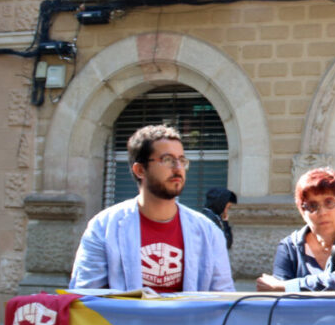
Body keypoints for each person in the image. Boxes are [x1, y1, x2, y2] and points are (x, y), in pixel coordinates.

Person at [69, 125, 234, 292]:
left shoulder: (209, 232)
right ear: (140, 170)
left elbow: (225, 301)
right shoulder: (104, 227)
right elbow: (85, 297)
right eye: (168, 160)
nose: (178, 168)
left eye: (182, 160)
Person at [256, 167, 335, 292]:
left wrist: (287, 287)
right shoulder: (289, 248)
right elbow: (281, 301)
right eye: (312, 206)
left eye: (329, 202)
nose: (322, 212)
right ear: (302, 211)